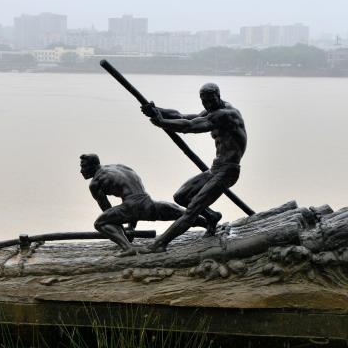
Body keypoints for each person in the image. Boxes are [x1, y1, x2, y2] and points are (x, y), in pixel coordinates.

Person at [140, 82, 247, 252]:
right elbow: (183, 116)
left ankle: (159, 244)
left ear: (218, 96)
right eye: (204, 101)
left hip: (228, 170)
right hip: (216, 168)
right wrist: (156, 109)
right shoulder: (212, 111)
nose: (208, 104)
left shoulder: (227, 114)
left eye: (211, 100)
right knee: (181, 196)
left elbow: (190, 126)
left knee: (193, 209)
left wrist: (162, 122)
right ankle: (212, 217)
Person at [80, 153, 206, 256]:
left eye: (84, 167)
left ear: (93, 166)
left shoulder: (95, 183)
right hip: (147, 202)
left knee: (100, 223)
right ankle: (208, 223)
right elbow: (134, 195)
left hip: (132, 206)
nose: (81, 171)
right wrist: (131, 227)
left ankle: (127, 248)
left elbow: (108, 211)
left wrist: (125, 236)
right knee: (183, 214)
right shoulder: (120, 167)